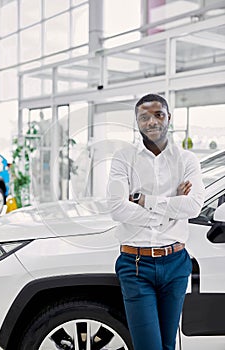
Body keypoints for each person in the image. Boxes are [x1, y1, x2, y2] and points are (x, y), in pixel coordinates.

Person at [106, 93, 205, 350]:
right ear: (137, 122)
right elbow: (117, 208)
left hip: (176, 263)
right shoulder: (123, 158)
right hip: (136, 265)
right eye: (144, 117)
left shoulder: (186, 160)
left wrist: (143, 200)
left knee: (168, 346)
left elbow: (193, 206)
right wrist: (172, 207)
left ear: (169, 117)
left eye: (158, 114)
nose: (152, 121)